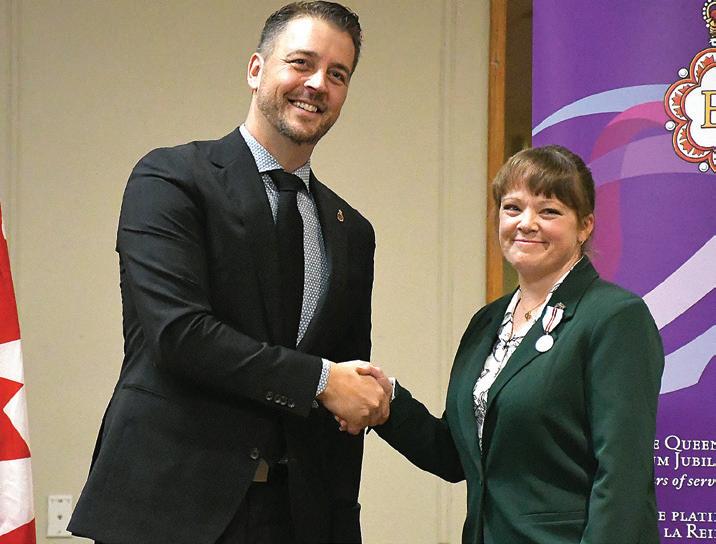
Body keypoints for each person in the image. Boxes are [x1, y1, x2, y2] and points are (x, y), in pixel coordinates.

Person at [68, 2, 389, 543]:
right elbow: (179, 335)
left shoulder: (352, 231)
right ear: (256, 69)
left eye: (338, 74)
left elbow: (344, 390)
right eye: (302, 63)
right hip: (168, 512)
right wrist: (318, 380)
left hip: (294, 518)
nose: (317, 84)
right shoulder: (171, 178)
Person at [369, 145, 664, 543]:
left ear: (585, 226)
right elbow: (457, 455)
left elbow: (623, 477)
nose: (526, 223)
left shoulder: (614, 317)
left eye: (549, 211)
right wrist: (386, 403)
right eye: (512, 208)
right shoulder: (487, 322)